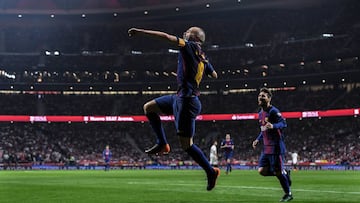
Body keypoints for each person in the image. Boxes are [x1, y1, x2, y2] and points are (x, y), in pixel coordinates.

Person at [128, 26, 220, 191]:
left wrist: (141, 32)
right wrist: (202, 67)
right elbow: (214, 75)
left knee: (187, 145)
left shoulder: (190, 46)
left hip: (187, 102)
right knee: (149, 107)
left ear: (196, 38)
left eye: (189, 31)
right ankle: (162, 143)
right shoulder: (203, 55)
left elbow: (166, 36)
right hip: (180, 97)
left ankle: (211, 171)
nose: (185, 32)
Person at [252, 87, 293, 202]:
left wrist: (274, 126)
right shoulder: (260, 114)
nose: (260, 97)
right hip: (266, 148)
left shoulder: (273, 111)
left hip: (276, 147)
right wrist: (257, 139)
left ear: (269, 99)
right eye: (259, 96)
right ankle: (285, 173)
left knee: (278, 172)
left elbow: (284, 123)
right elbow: (264, 129)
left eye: (263, 96)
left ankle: (288, 194)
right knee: (262, 171)